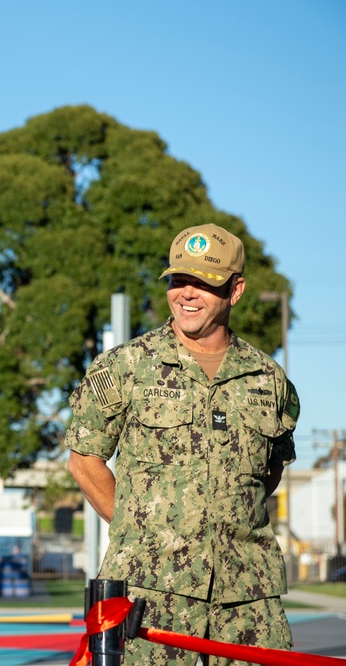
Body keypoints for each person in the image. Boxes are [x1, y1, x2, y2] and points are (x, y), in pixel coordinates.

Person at [66, 223, 299, 665]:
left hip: (247, 599)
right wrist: (145, 529)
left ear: (236, 290)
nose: (187, 294)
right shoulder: (125, 366)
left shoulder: (269, 380)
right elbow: (84, 461)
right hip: (148, 595)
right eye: (178, 280)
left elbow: (271, 469)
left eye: (204, 283)